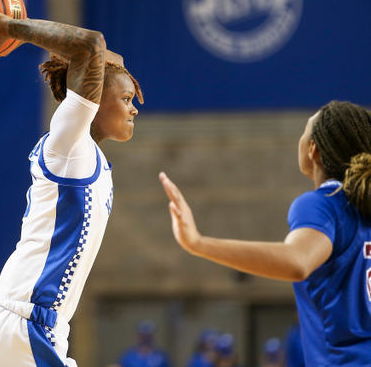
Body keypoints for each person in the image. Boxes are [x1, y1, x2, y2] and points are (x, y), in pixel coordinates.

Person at [0, 2, 143, 367]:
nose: (134, 108)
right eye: (125, 98)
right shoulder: (71, 143)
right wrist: (11, 27)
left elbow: (102, 56)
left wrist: (96, 66)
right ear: (92, 102)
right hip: (23, 330)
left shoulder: (85, 155)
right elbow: (91, 46)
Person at [159, 100, 371, 366]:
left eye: (304, 132)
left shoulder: (323, 203)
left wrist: (197, 242)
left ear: (313, 149)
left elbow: (298, 261)